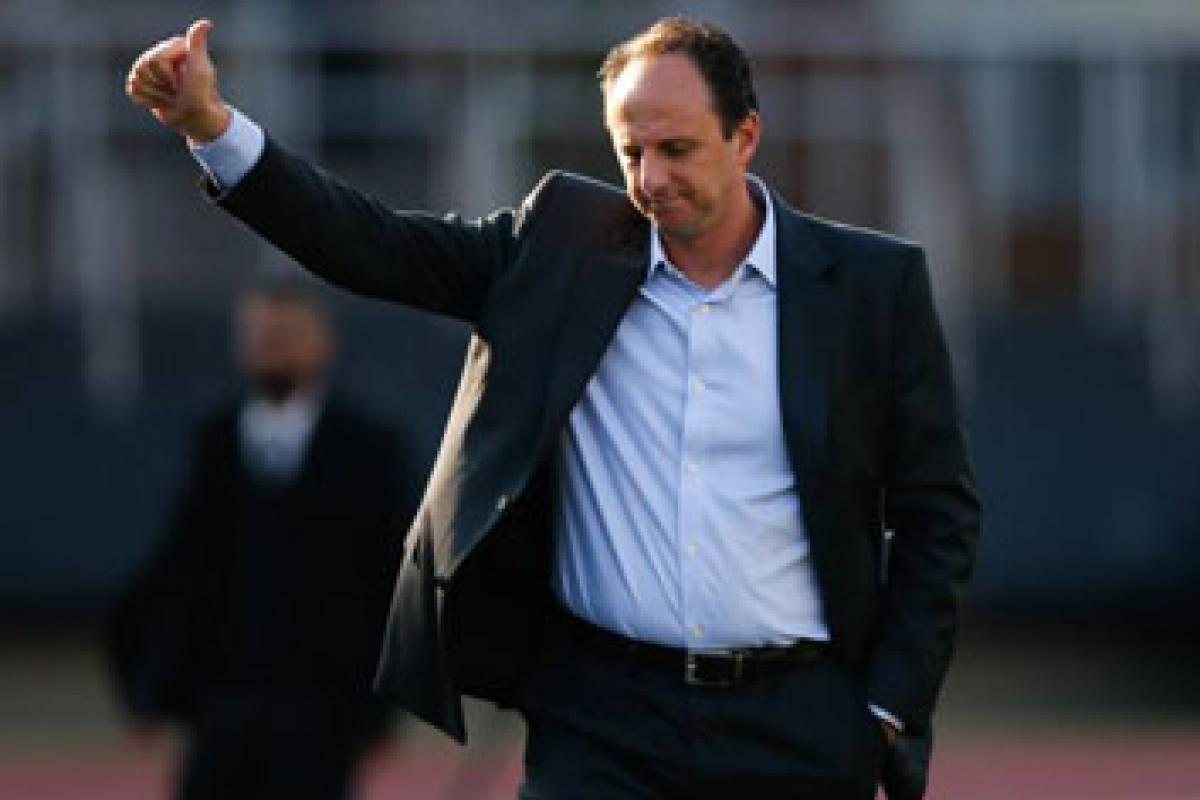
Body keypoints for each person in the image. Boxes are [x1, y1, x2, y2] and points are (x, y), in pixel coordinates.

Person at [125, 16, 981, 800]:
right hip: (602, 722)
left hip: (797, 726)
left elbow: (937, 511)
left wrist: (886, 707)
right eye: (630, 151)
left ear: (745, 136)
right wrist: (212, 128)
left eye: (677, 149)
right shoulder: (561, 251)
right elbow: (373, 245)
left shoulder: (871, 287)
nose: (651, 179)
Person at [107, 280, 407, 799]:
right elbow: (180, 574)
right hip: (221, 706)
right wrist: (149, 686)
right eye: (262, 337)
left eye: (286, 336)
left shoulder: (367, 449)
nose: (272, 348)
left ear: (324, 344)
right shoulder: (214, 443)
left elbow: (389, 582)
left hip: (320, 712)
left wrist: (380, 709)